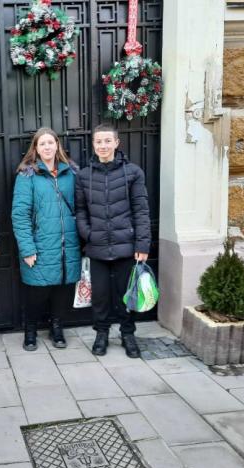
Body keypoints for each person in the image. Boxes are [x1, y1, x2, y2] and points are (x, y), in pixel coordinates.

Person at [75, 123, 151, 357]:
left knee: (126, 294)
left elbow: (141, 210)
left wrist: (142, 244)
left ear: (117, 143)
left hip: (126, 246)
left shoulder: (133, 172)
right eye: (99, 141)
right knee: (99, 296)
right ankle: (101, 334)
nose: (103, 145)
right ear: (93, 144)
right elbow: (80, 211)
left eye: (108, 141)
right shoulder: (84, 175)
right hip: (97, 246)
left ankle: (128, 334)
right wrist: (88, 234)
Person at [11, 128, 81, 351]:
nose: (47, 147)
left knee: (62, 289)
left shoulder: (71, 173)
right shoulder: (27, 175)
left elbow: (81, 207)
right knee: (37, 292)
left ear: (57, 145)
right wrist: (27, 249)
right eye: (42, 144)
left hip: (68, 244)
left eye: (51, 142)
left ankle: (57, 328)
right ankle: (30, 330)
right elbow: (20, 215)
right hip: (40, 244)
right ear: (36, 148)